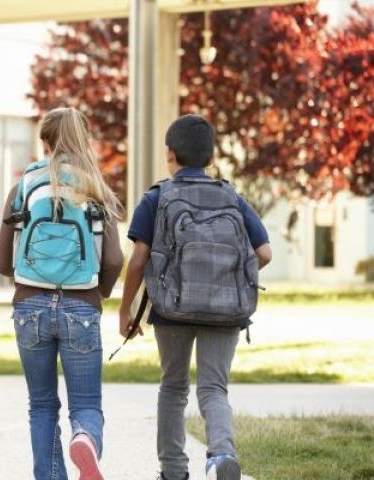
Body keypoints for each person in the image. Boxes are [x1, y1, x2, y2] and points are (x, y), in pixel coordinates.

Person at [118, 114, 273, 480]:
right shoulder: (231, 197)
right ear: (210, 156)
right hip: (226, 310)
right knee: (214, 388)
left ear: (170, 153)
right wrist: (232, 278)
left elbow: (138, 260)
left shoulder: (157, 197)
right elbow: (264, 253)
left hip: (172, 308)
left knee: (173, 387)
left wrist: (127, 311)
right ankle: (221, 456)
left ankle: (173, 472)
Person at [0, 107, 124, 480]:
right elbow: (113, 257)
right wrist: (99, 290)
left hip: (29, 305)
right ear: (84, 141)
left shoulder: (24, 185)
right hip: (80, 306)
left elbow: (3, 262)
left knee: (42, 405)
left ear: (44, 142)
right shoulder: (95, 187)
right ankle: (83, 438)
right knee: (85, 403)